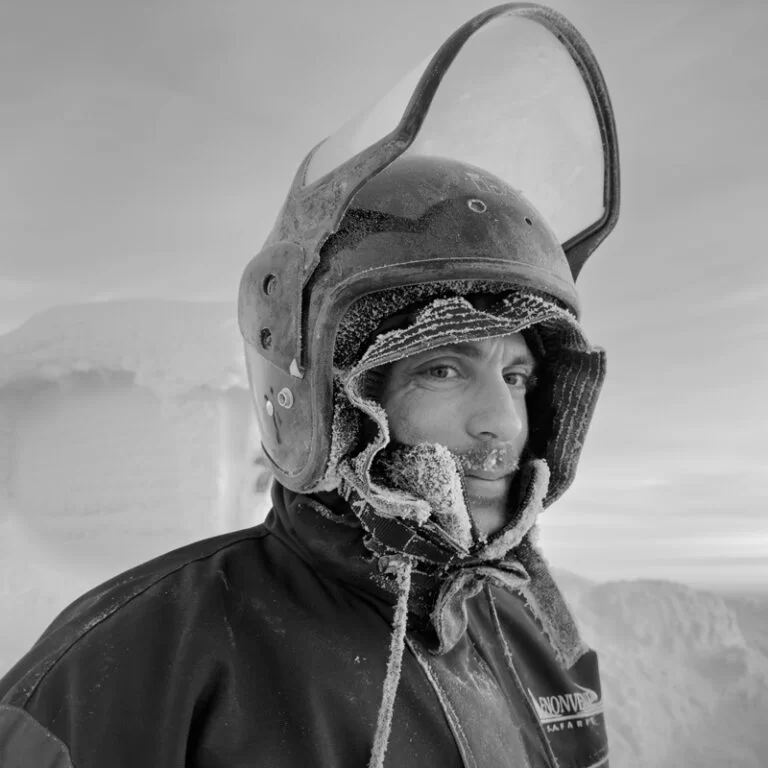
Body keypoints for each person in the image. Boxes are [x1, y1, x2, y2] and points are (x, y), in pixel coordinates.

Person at [0, 5, 620, 767]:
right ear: (331, 400)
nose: (505, 424)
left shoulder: (533, 627)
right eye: (442, 368)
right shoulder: (142, 660)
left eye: (517, 375)